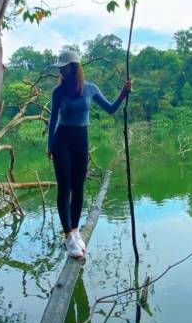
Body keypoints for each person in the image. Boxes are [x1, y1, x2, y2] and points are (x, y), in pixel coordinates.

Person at [48, 49, 131, 258]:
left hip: (81, 140)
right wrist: (50, 145)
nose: (61, 71)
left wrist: (123, 93)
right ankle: (67, 235)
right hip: (62, 140)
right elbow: (52, 120)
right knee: (64, 188)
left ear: (74, 67)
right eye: (60, 68)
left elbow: (111, 109)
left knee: (78, 187)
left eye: (64, 67)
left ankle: (75, 230)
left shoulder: (91, 89)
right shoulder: (58, 92)